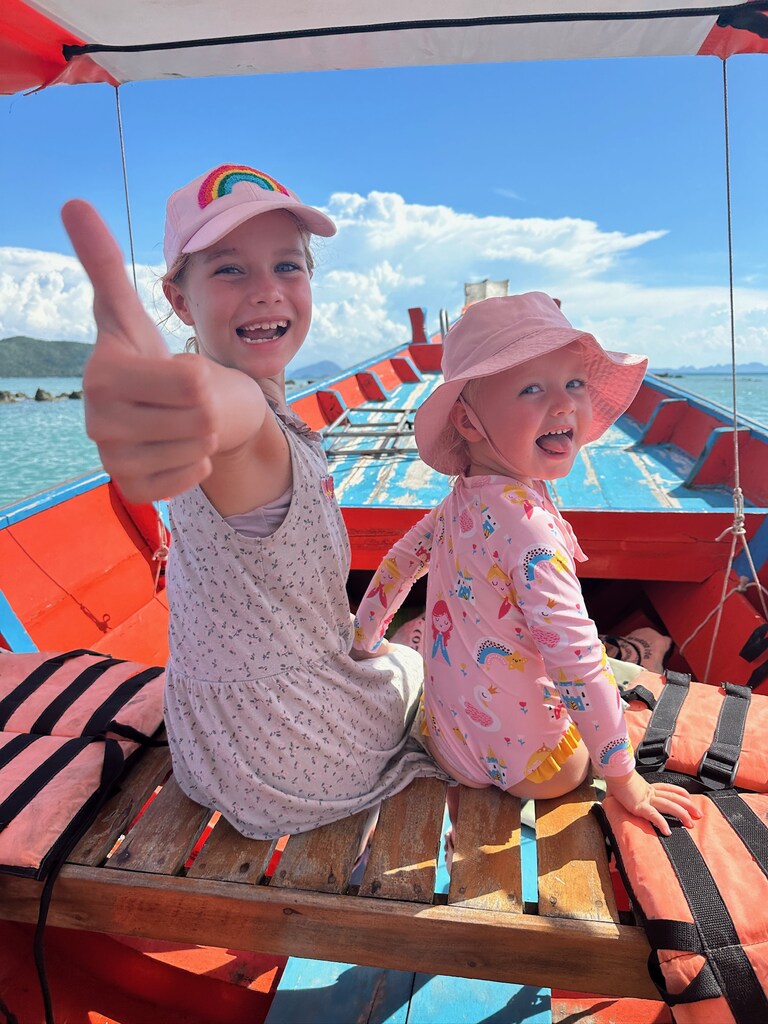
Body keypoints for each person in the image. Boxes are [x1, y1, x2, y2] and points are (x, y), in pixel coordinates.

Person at [61, 163, 447, 840]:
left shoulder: (257, 407)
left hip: (211, 748)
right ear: (179, 302)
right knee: (421, 655)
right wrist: (170, 401)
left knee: (386, 647)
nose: (267, 291)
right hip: (298, 759)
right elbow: (222, 411)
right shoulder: (241, 422)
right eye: (230, 271)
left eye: (288, 267)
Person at [352, 293, 701, 836]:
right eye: (532, 388)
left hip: (450, 746)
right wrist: (625, 779)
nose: (563, 405)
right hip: (541, 769)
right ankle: (640, 653)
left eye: (575, 384)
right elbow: (576, 658)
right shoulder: (531, 528)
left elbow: (400, 564)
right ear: (467, 421)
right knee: (596, 670)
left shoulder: (459, 501)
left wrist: (365, 638)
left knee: (431, 630)